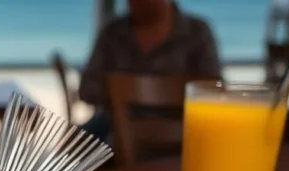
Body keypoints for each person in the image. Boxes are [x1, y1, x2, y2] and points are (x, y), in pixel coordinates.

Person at [78, 0, 222, 141]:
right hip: (113, 127)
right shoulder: (112, 32)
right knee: (72, 147)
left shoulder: (197, 31)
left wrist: (130, 90)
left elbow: (213, 91)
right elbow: (86, 88)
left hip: (181, 132)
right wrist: (118, 94)